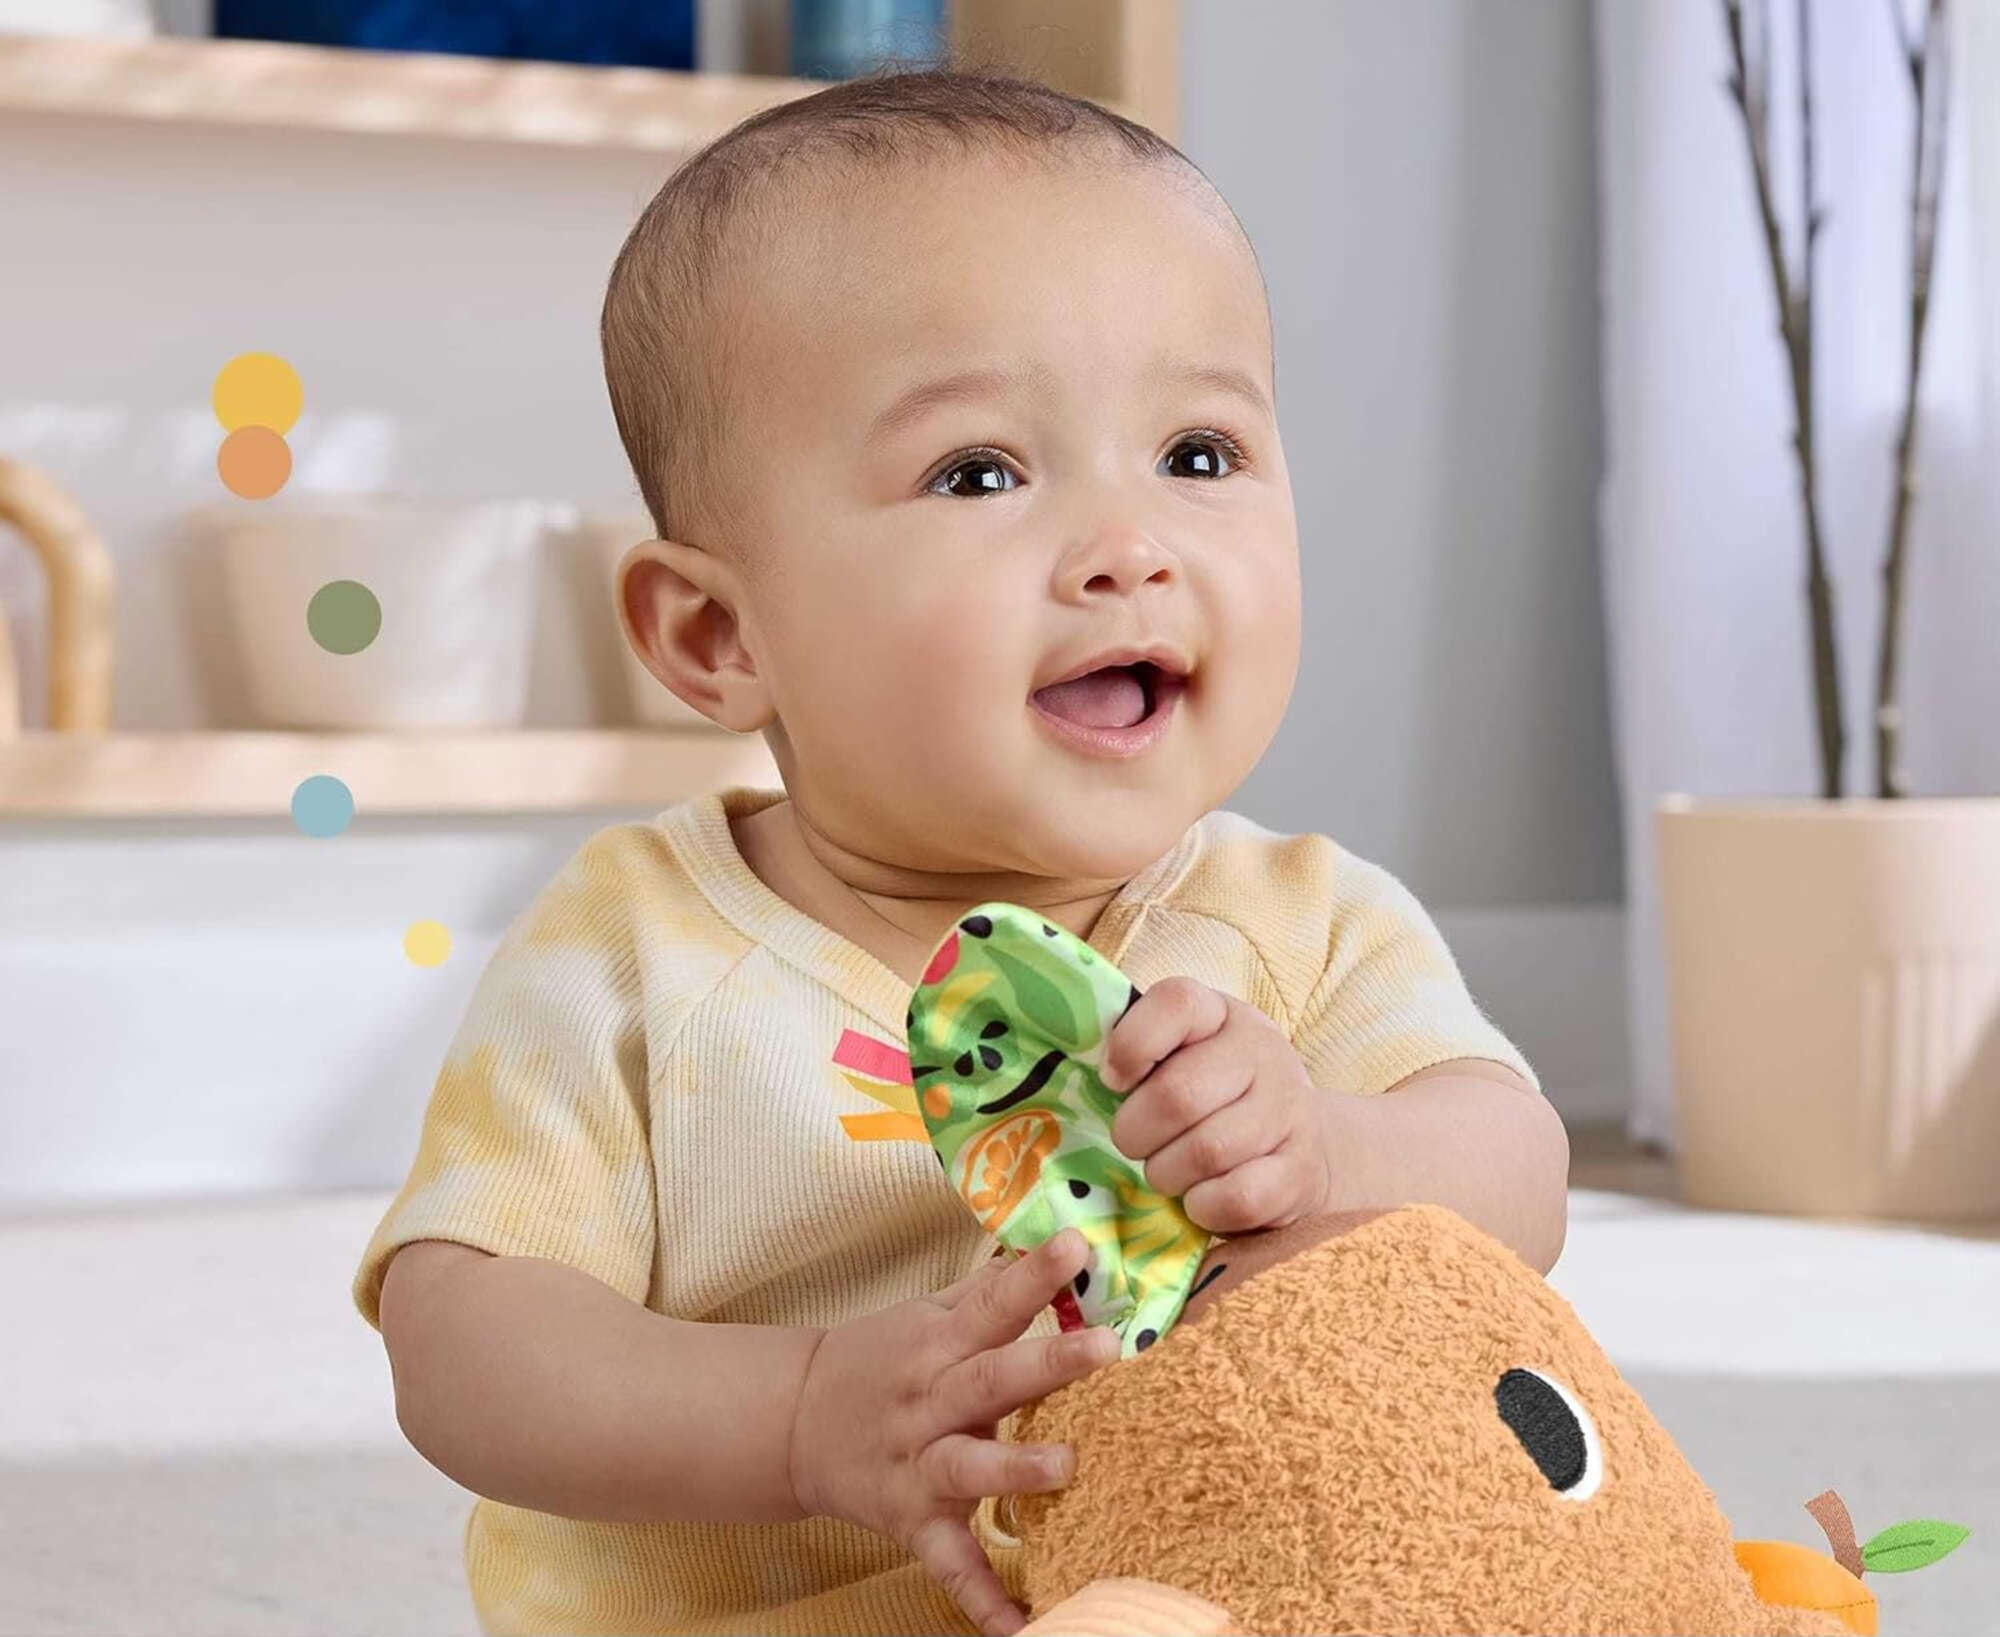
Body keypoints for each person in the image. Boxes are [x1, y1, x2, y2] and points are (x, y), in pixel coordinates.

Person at [351, 66, 1569, 1637]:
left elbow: (1519, 1177)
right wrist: (799, 1413)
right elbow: (464, 1342)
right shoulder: (631, 954)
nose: (1130, 547)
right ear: (719, 634)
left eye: (1199, 454)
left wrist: (1335, 1151)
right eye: (980, 473)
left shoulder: (1300, 920)